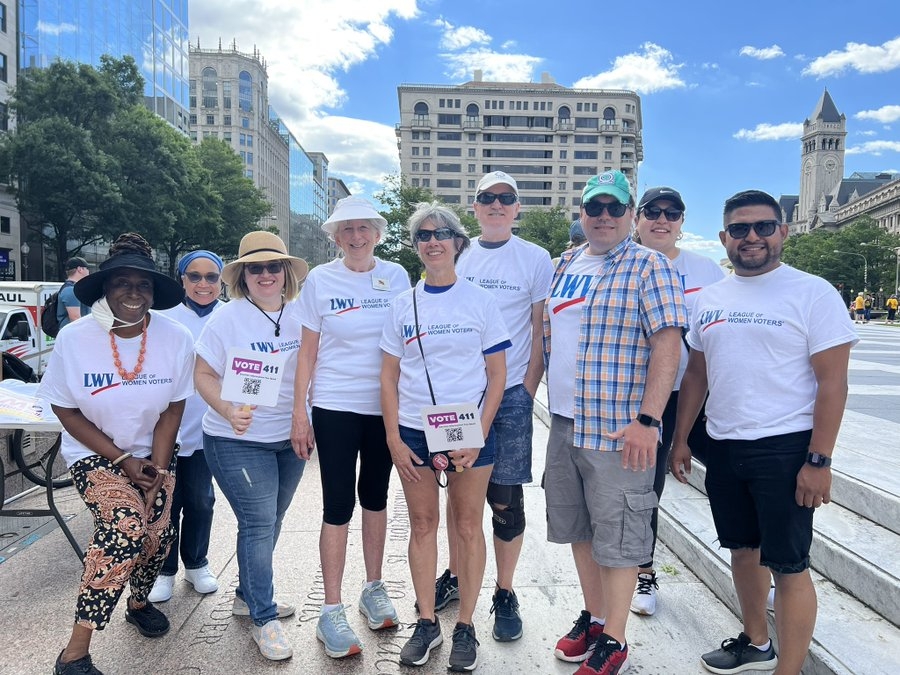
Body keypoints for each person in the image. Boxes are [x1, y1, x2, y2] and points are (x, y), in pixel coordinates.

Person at [669, 190, 858, 675]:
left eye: (763, 227)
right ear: (724, 238)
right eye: (740, 229)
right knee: (742, 549)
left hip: (787, 448)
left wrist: (819, 460)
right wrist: (682, 438)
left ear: (783, 231)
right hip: (725, 446)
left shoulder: (813, 292)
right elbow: (696, 375)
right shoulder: (710, 299)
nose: (751, 237)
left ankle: (788, 669)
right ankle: (756, 642)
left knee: (789, 566)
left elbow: (832, 383)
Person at [543, 171, 687, 675]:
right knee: (578, 527)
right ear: (582, 213)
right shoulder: (563, 264)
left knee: (621, 532)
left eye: (614, 208)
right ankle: (596, 616)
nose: (603, 216)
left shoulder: (651, 266)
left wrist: (649, 420)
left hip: (619, 426)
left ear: (630, 215)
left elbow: (668, 343)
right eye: (594, 207)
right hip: (564, 421)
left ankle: (617, 639)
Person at [38, 233, 194, 675]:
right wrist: (123, 460)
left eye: (143, 285)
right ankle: (74, 653)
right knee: (125, 527)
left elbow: (173, 407)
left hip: (155, 452)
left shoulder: (176, 337)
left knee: (157, 532)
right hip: (95, 455)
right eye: (122, 283)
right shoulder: (74, 338)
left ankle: (139, 602)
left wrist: (158, 471)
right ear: (105, 288)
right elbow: (65, 408)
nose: (133, 293)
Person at [380, 202, 510, 671]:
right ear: (415, 247)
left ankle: (467, 626)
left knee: (467, 526)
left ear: (459, 242)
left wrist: (478, 435)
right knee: (422, 526)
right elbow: (389, 377)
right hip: (416, 429)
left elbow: (497, 376)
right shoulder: (402, 305)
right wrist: (393, 437)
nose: (432, 241)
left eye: (442, 233)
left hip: (470, 430)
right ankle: (428, 621)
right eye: (423, 235)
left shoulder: (480, 301)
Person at [291, 197, 411, 658]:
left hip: (384, 406)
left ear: (377, 233)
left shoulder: (397, 276)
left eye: (364, 228)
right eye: (347, 230)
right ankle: (331, 609)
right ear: (335, 237)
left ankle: (373, 588)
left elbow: (407, 343)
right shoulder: (321, 280)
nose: (357, 236)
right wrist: (300, 412)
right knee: (337, 503)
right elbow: (307, 352)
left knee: (376, 498)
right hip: (335, 405)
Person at [194, 231, 309, 662]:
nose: (265, 274)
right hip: (235, 439)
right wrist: (227, 409)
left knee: (273, 518)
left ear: (285, 273)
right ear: (243, 276)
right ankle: (263, 618)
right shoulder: (226, 318)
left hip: (288, 437)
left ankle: (248, 594)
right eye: (255, 268)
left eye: (272, 266)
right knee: (258, 521)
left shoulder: (301, 315)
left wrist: (307, 419)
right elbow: (203, 375)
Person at [449, 171, 554, 642]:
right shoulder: (457, 252)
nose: (495, 205)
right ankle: (457, 574)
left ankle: (504, 591)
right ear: (473, 207)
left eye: (505, 198)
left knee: (506, 500)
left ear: (517, 208)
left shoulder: (534, 258)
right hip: (459, 396)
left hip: (510, 394)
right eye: (486, 198)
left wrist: (528, 387)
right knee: (459, 496)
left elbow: (539, 326)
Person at [630, 186, 726, 617]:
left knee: (729, 480)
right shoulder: (619, 264)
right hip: (640, 397)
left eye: (673, 212)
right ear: (638, 218)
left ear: (683, 221)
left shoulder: (707, 271)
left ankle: (761, 569)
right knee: (644, 488)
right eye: (653, 211)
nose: (662, 219)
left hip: (698, 395)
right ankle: (644, 574)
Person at [149, 251, 225, 604]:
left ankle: (197, 563)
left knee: (201, 500)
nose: (203, 284)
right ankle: (164, 570)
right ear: (181, 279)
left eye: (211, 277)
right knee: (167, 502)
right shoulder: (162, 319)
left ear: (221, 280)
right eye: (194, 276)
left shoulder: (230, 317)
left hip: (210, 425)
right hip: (168, 428)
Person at [57, 256, 92, 331]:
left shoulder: (72, 289)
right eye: (87, 268)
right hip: (73, 335)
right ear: (80, 269)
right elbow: (75, 318)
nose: (89, 271)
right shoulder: (71, 290)